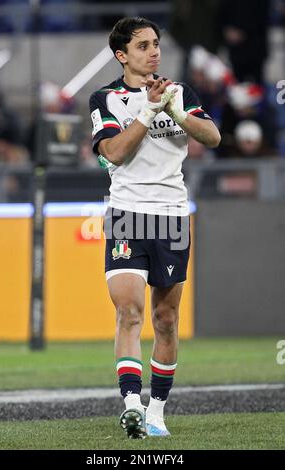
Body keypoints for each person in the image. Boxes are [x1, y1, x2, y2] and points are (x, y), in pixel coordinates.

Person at [89, 17, 220, 439]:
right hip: (127, 214)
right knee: (129, 312)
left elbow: (213, 137)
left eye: (156, 44)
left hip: (172, 216)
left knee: (165, 318)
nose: (154, 52)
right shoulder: (106, 98)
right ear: (121, 55)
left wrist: (176, 110)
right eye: (143, 45)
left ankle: (156, 412)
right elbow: (115, 152)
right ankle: (131, 405)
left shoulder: (180, 92)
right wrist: (148, 110)